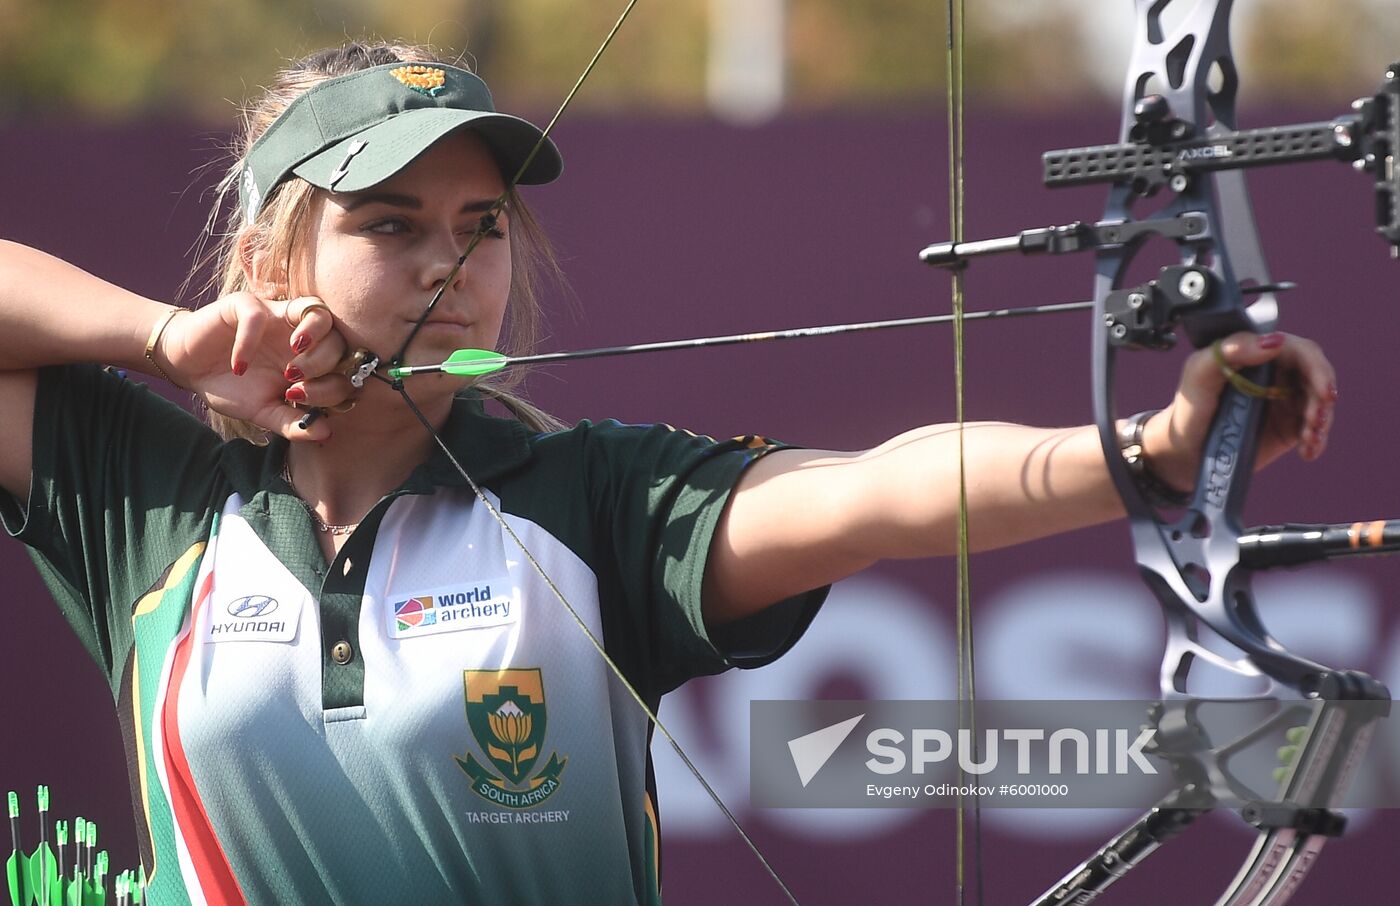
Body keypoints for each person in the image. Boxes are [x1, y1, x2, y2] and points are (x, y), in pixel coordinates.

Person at [0, 42, 1336, 905]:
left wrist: (1146, 451)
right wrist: (166, 339)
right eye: (390, 224)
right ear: (270, 260)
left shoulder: (590, 503)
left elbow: (878, 490)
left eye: (481, 228)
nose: (448, 266)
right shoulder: (156, 507)